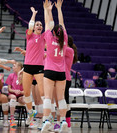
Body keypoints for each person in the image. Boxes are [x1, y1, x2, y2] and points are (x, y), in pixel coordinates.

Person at [42, 0, 68, 132]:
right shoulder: (65, 40)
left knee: (48, 97)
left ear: (54, 33)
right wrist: (59, 9)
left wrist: (47, 10)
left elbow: (47, 24)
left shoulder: (50, 39)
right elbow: (61, 24)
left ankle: (46, 120)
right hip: (61, 72)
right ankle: (62, 121)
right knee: (61, 98)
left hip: (50, 71)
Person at [22, 6, 46, 125]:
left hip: (39, 67)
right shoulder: (29, 35)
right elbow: (30, 26)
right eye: (37, 24)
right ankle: (30, 113)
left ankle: (46, 118)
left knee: (42, 93)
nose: (39, 26)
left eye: (41, 25)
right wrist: (34, 14)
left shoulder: (44, 37)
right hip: (27, 67)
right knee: (26, 93)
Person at [6, 62, 24, 129]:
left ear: (19, 67)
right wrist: (15, 91)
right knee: (13, 98)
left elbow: (26, 91)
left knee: (23, 99)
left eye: (14, 66)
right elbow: (9, 89)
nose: (12, 67)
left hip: (20, 95)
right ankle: (12, 119)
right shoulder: (11, 75)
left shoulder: (24, 76)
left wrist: (20, 92)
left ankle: (30, 117)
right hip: (12, 94)